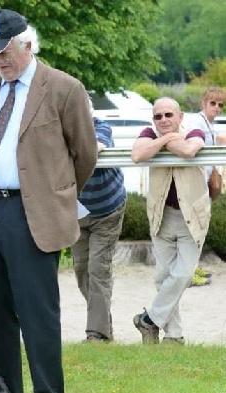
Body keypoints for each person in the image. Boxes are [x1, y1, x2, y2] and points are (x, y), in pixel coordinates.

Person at [0, 9, 97, 393]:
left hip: (34, 212)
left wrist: (54, 196)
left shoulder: (64, 87)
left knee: (38, 313)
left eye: (5, 53)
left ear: (27, 45)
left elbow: (85, 155)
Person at [131, 97, 208, 345]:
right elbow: (137, 155)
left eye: (168, 115)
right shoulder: (148, 133)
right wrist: (165, 140)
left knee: (183, 274)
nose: (163, 120)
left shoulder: (194, 130)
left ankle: (149, 320)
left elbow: (188, 150)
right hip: (161, 216)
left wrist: (161, 144)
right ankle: (173, 336)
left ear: (180, 116)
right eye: (158, 116)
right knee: (162, 277)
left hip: (191, 217)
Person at [71, 108, 126, 342]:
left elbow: (96, 148)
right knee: (81, 269)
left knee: (98, 268)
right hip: (76, 213)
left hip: (108, 210)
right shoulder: (58, 130)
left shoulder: (101, 127)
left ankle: (97, 333)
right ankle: (103, 322)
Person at [189, 86, 224, 287]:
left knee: (200, 228)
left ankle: (193, 266)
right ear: (203, 103)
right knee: (195, 228)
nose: (217, 108)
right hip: (196, 185)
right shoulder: (197, 123)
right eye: (213, 103)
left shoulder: (208, 124)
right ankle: (189, 271)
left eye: (220, 105)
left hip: (203, 184)